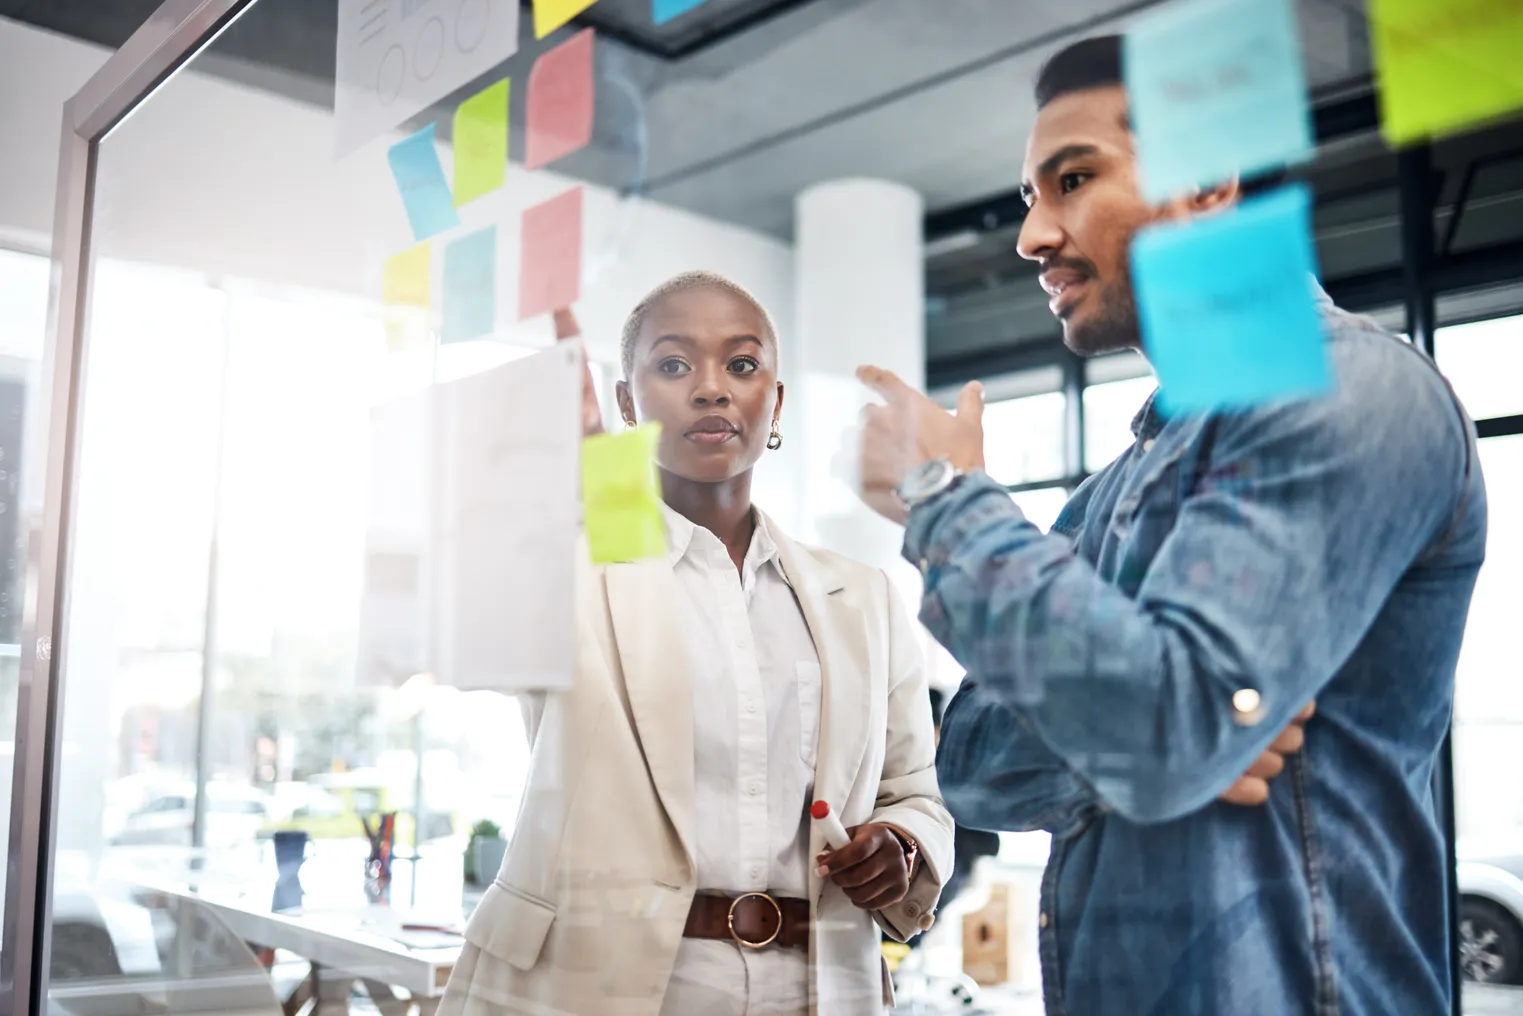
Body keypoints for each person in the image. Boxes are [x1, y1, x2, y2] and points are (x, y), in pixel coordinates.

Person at [847, 35, 1487, 1016]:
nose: (1030, 235)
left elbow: (1164, 727)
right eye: (1028, 196)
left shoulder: (1351, 388)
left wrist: (941, 491)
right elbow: (967, 760)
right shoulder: (1105, 493)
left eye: (1069, 179)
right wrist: (1145, 727)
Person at [441, 271, 954, 1016]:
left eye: (742, 366)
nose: (711, 389)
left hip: (818, 987)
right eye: (674, 365)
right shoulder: (566, 563)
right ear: (626, 402)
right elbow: (464, 637)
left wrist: (902, 844)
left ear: (773, 403)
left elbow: (915, 789)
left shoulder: (863, 597)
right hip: (604, 988)